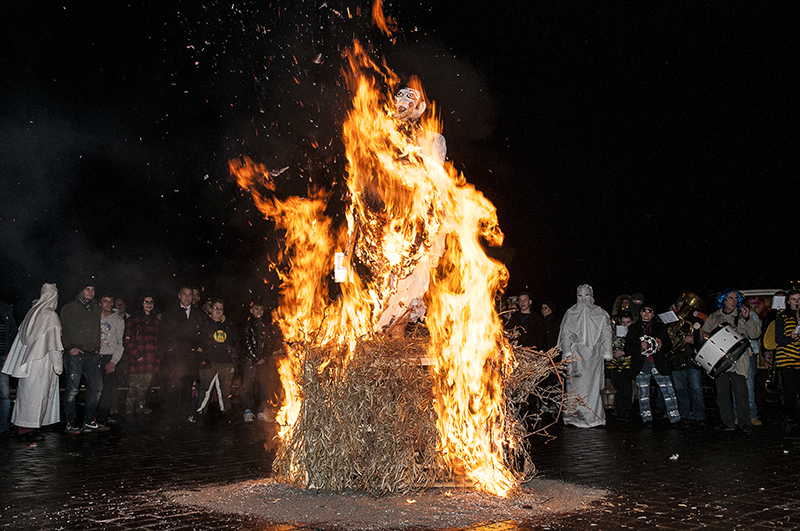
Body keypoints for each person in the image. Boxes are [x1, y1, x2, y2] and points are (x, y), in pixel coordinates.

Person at [1, 284, 63, 438]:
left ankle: (28, 425)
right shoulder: (49, 315)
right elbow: (53, 343)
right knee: (37, 395)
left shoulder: (32, 313)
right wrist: (58, 364)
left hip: (28, 362)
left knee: (27, 395)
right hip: (41, 361)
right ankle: (27, 429)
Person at [702, 289, 760, 433]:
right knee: (722, 394)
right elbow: (704, 333)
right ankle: (727, 422)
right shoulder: (714, 316)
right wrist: (704, 336)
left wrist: (747, 319)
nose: (734, 301)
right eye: (730, 298)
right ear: (723, 300)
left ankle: (744, 423)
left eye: (736, 299)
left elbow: (755, 334)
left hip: (738, 361)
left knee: (741, 393)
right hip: (719, 361)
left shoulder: (742, 315)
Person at [557, 284, 612, 428]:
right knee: (575, 386)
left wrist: (607, 352)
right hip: (576, 356)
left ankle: (593, 416)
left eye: (586, 295)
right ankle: (574, 417)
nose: (583, 299)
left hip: (594, 355)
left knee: (593, 386)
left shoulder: (600, 313)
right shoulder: (571, 313)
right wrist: (567, 351)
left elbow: (606, 333)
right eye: (580, 296)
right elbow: (565, 333)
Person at [60, 281, 108, 433]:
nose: (91, 292)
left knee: (97, 386)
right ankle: (71, 421)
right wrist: (69, 347)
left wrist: (97, 348)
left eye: (93, 289)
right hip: (75, 353)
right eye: (87, 289)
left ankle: (89, 420)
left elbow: (96, 330)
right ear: (81, 290)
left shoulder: (95, 309)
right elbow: (62, 330)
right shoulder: (69, 307)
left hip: (92, 354)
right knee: (73, 389)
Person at [626, 302, 682, 427]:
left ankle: (675, 419)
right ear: (640, 313)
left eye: (650, 311)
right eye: (644, 310)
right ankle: (647, 419)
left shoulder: (660, 328)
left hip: (658, 363)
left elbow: (669, 346)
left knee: (669, 391)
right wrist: (639, 347)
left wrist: (661, 345)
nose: (646, 313)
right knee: (643, 393)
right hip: (642, 364)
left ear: (653, 314)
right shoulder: (633, 328)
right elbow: (627, 348)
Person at [159, 286, 205, 424]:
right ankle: (169, 416)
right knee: (173, 387)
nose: (187, 297)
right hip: (175, 359)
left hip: (191, 359)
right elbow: (163, 335)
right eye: (184, 294)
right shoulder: (170, 313)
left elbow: (205, 333)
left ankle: (184, 416)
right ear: (179, 296)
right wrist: (170, 350)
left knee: (187, 388)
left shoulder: (199, 314)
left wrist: (202, 347)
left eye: (190, 294)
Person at [196, 299, 238, 419]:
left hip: (226, 362)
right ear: (210, 309)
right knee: (205, 388)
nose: (218, 311)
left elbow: (235, 342)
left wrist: (233, 355)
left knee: (225, 389)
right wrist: (200, 350)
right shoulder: (204, 324)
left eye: (221, 308)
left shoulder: (229, 325)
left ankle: (226, 411)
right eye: (216, 308)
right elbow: (196, 339)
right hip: (209, 361)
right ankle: (200, 411)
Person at [123, 295, 162, 418]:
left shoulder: (156, 322)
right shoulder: (132, 320)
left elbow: (159, 342)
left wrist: (158, 357)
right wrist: (136, 356)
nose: (149, 304)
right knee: (133, 390)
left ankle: (140, 416)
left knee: (143, 391)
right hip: (136, 361)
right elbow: (127, 340)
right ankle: (129, 416)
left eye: (151, 302)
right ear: (141, 303)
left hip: (150, 361)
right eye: (146, 302)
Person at [241, 300, 272, 423]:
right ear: (251, 310)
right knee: (247, 385)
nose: (259, 312)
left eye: (261, 309)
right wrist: (256, 358)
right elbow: (246, 343)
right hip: (249, 361)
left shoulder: (266, 324)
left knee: (265, 385)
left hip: (263, 361)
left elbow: (270, 342)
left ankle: (263, 410)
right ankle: (248, 410)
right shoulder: (247, 324)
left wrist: (265, 357)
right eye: (256, 309)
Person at [97, 294, 125, 426]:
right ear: (100, 303)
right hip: (95, 357)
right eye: (105, 301)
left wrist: (114, 361)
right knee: (95, 389)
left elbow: (120, 343)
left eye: (111, 301)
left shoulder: (118, 320)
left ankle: (103, 418)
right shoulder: (94, 317)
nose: (108, 304)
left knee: (107, 390)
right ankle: (91, 417)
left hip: (109, 357)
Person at [775, 289, 800, 433]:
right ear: (788, 301)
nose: (797, 302)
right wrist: (791, 336)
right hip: (787, 359)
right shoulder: (782, 317)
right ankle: (789, 423)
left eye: (798, 299)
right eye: (794, 299)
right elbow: (778, 340)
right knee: (790, 392)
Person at [607, 310, 634, 421]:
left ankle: (627, 411)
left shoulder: (634, 332)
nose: (625, 325)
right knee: (617, 387)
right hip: (614, 363)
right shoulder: (615, 332)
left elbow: (636, 348)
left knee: (627, 388)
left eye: (627, 322)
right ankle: (619, 410)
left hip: (627, 363)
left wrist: (623, 352)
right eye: (623, 322)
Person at [0, 298, 18, 436]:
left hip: (2, 358)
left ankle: (3, 427)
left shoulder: (5, 310)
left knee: (4, 394)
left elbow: (13, 334)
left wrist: (9, 354)